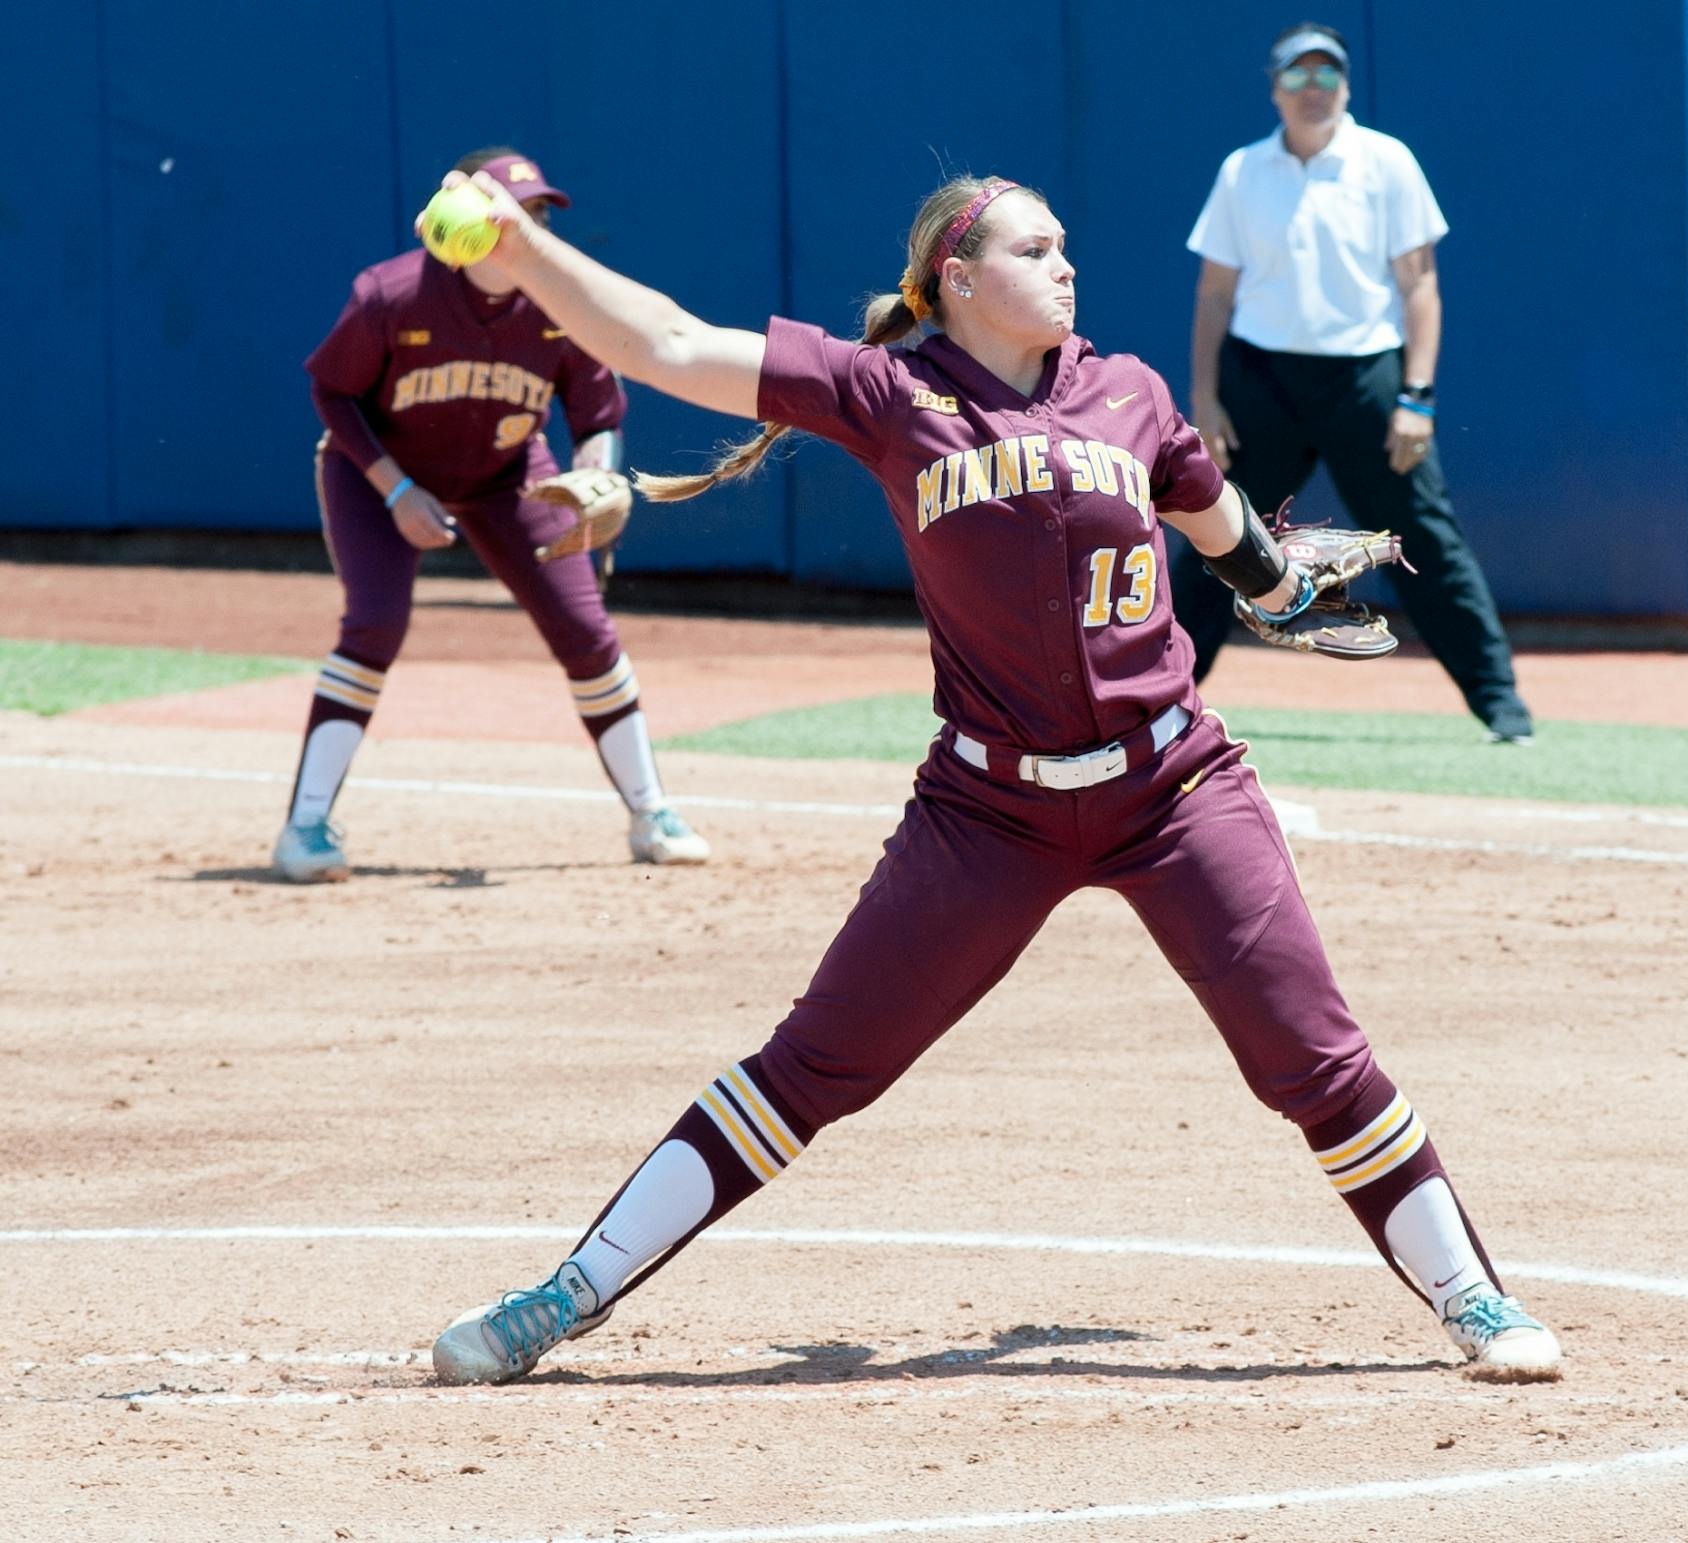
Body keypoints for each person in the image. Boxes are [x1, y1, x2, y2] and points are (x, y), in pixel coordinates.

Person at [423, 168, 1564, 1386]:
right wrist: (525, 254)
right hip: (987, 813)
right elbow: (669, 341)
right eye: (1034, 249)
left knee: (1312, 1059)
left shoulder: (1125, 389)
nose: (1066, 264)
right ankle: (567, 1294)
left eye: (1067, 244)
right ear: (957, 279)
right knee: (812, 1069)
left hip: (1172, 789)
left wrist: (1277, 584)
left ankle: (1474, 1301)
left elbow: (1207, 500)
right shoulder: (888, 392)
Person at [272, 146, 710, 883]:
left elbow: (598, 415)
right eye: (519, 213)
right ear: (467, 226)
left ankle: (651, 811)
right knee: (374, 624)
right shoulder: (391, 295)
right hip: (381, 473)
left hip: (509, 476)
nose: (532, 227)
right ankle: (305, 828)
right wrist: (396, 490)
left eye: (540, 214)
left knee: (585, 629)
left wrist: (596, 472)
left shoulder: (562, 304)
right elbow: (333, 395)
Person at [1170, 23, 1536, 744]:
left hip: (1368, 381)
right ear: (1274, 89)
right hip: (1261, 381)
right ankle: (1157, 697)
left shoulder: (1387, 163)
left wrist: (1416, 397)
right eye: (1298, 76)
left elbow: (1420, 287)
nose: (1314, 90)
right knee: (1216, 538)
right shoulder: (1243, 171)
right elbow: (1214, 294)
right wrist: (1206, 399)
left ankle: (1502, 705)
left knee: (1422, 538)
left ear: (1346, 85)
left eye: (1327, 75)